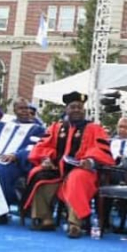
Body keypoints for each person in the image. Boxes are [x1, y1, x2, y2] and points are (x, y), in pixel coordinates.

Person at [23, 91, 114, 237]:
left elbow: (100, 149)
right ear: (66, 109)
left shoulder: (94, 129)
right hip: (57, 168)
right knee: (39, 175)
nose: (76, 110)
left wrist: (90, 161)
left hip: (81, 169)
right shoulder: (56, 128)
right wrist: (46, 159)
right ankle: (45, 219)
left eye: (79, 107)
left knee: (76, 179)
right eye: (73, 107)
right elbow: (43, 146)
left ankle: (75, 224)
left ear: (84, 109)